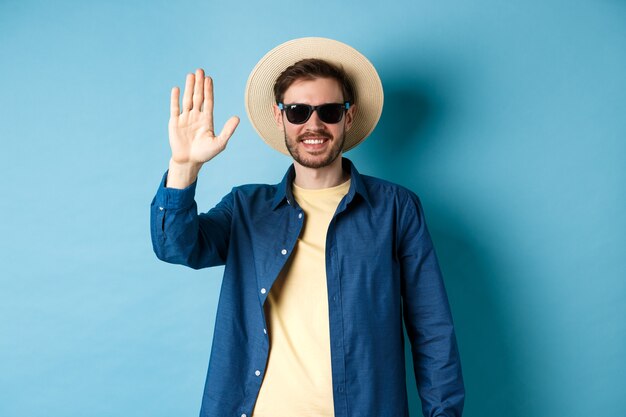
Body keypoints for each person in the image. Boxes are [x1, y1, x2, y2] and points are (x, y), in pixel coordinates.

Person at [150, 37, 464, 417]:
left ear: (348, 117)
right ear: (279, 116)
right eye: (298, 111)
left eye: (329, 111)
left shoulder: (396, 209)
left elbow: (432, 331)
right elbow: (176, 246)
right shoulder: (246, 208)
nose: (314, 124)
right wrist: (185, 166)